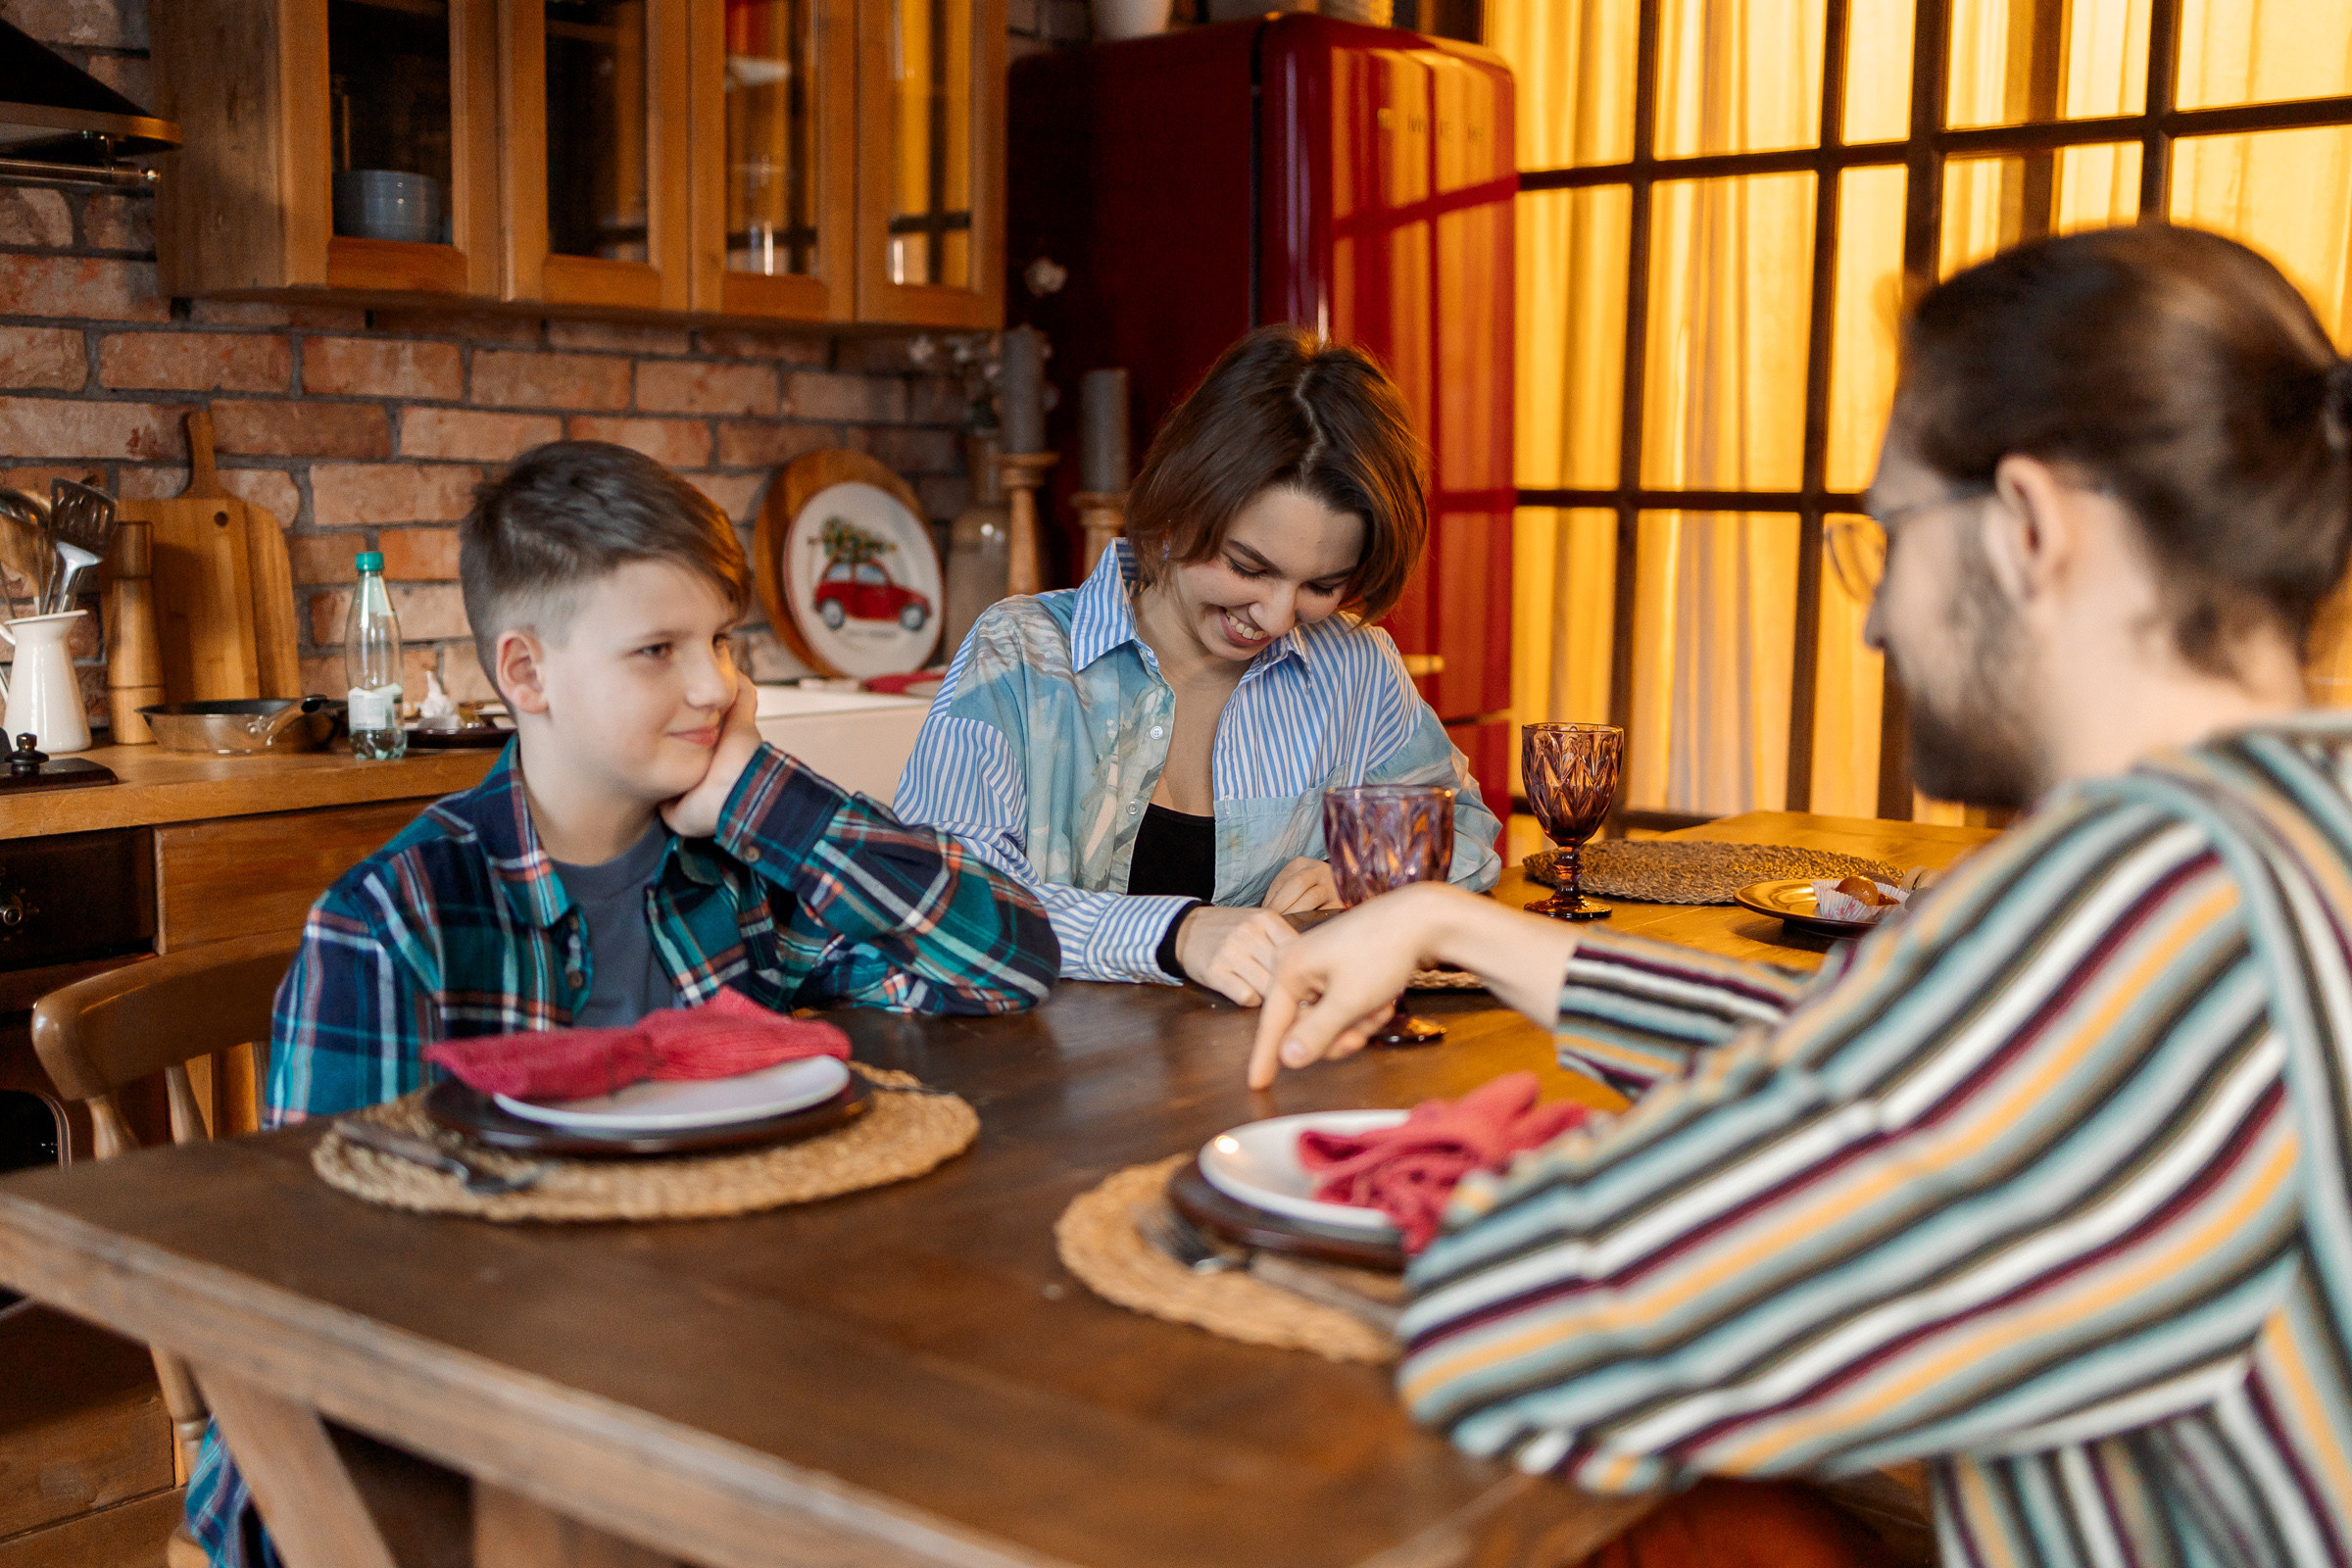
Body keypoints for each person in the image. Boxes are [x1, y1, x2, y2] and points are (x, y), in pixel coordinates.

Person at [1252, 225, 2352, 1565]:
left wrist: (1482, 1170)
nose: (1879, 619)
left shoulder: (2146, 902)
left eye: (1888, 534)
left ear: (2029, 524)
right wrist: (1459, 927)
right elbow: (1913, 1058)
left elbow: (1530, 1329)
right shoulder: (2296, 820)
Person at [189, 441, 1058, 1568]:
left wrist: (762, 794)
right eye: (658, 649)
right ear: (528, 671)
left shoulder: (734, 877)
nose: (714, 686)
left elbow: (1007, 961)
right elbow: (320, 1297)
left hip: (694, 1386)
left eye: (720, 641)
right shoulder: (395, 917)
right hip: (431, 1454)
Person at [895, 326, 1500, 1004]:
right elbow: (938, 900)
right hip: (1050, 1087)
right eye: (1248, 567)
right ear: (1180, 508)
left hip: (1280, 1077)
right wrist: (1174, 933)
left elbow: (1468, 834)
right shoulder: (1021, 657)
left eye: (1320, 586)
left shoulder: (1355, 670)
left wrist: (1363, 881)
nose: (1276, 617)